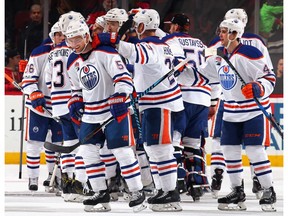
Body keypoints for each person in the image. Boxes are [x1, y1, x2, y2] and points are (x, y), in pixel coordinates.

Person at [93, 9, 184, 212]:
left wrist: (113, 40)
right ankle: (163, 189)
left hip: (159, 104)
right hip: (158, 103)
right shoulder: (165, 42)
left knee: (160, 149)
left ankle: (171, 192)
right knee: (153, 149)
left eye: (137, 25)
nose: (135, 29)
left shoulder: (150, 45)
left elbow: (135, 52)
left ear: (142, 27)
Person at [65, 19, 146, 212]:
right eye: (70, 40)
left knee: (122, 152)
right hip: (91, 114)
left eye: (77, 39)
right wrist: (75, 100)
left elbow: (124, 78)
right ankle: (100, 192)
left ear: (86, 36)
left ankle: (137, 191)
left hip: (113, 110)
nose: (74, 44)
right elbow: (76, 89)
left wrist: (120, 95)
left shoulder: (106, 53)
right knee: (88, 152)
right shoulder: (72, 61)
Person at [201, 18, 276, 212]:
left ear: (235, 34)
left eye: (224, 31)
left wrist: (259, 87)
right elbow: (202, 74)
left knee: (254, 151)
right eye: (221, 31)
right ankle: (237, 190)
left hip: (252, 112)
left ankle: (268, 189)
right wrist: (184, 70)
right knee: (229, 152)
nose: (220, 34)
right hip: (230, 112)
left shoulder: (250, 53)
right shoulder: (219, 55)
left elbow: (269, 78)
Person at [162, 13, 220, 201]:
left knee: (174, 139)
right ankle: (196, 182)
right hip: (202, 97)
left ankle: (177, 179)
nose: (170, 28)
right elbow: (212, 73)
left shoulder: (169, 40)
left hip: (180, 95)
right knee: (194, 143)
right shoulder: (201, 44)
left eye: (171, 25)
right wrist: (213, 101)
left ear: (176, 27)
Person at [21, 24, 63, 192]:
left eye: (64, 35)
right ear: (53, 36)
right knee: (34, 143)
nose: (62, 38)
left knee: (58, 143)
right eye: (58, 34)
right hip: (39, 107)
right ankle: (33, 178)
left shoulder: (75, 54)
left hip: (60, 106)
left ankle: (54, 177)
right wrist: (34, 93)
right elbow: (28, 80)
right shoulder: (40, 52)